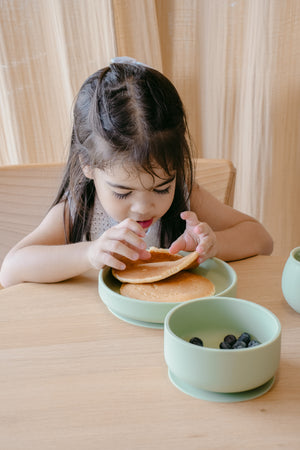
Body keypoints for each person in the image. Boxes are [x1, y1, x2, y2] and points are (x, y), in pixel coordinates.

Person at [0, 57, 273, 288]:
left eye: (162, 188)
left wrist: (211, 246)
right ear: (87, 165)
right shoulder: (80, 210)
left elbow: (262, 240)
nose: (144, 207)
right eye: (123, 192)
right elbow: (10, 270)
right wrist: (90, 254)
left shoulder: (186, 198)